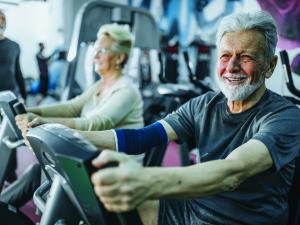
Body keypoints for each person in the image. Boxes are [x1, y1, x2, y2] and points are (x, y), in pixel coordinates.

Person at [77, 11, 300, 225]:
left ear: (269, 66)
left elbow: (233, 171)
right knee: (102, 207)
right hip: (192, 209)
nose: (231, 67)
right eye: (225, 56)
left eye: (245, 57)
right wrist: (70, 135)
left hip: (240, 220)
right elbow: (143, 138)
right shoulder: (203, 104)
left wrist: (146, 180)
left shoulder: (285, 116)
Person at [0, 23, 144, 208]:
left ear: (120, 57)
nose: (95, 55)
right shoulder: (100, 85)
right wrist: (29, 111)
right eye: (95, 49)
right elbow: (71, 107)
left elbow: (94, 123)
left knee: (42, 173)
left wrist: (45, 123)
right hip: (92, 163)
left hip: (114, 174)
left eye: (102, 50)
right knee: (38, 171)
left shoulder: (126, 91)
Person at [0, 9, 27, 184]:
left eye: (2, 18)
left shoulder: (14, 46)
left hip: (9, 97)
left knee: (10, 137)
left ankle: (10, 174)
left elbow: (18, 72)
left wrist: (24, 96)